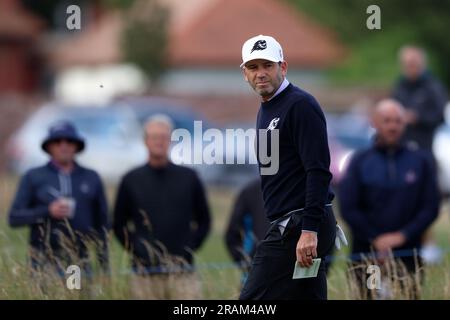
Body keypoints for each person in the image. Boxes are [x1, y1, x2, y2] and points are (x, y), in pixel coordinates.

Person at [239, 35, 337, 300]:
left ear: (283, 67)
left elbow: (318, 171)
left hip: (299, 226)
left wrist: (309, 230)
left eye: (267, 66)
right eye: (253, 67)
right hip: (292, 223)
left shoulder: (300, 105)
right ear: (244, 73)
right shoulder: (267, 107)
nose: (260, 73)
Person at [339, 99, 440, 299]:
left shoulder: (421, 161)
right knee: (369, 296)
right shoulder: (359, 161)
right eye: (387, 121)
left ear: (405, 124)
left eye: (397, 121)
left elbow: (430, 206)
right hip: (369, 257)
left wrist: (402, 235)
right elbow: (348, 207)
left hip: (407, 255)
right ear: (374, 122)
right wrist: (376, 239)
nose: (392, 126)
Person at [113, 114, 211, 299]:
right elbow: (118, 223)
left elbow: (204, 220)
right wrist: (137, 249)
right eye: (154, 137)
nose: (159, 142)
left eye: (163, 137)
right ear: (145, 141)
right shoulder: (131, 180)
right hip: (144, 274)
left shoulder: (189, 178)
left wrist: (189, 246)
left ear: (171, 141)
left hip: (183, 273)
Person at [8, 121, 110, 278]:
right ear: (49, 146)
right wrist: (47, 211)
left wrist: (104, 266)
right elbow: (14, 218)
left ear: (76, 145)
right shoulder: (33, 176)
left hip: (77, 261)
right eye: (57, 141)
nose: (64, 146)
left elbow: (103, 225)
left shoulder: (91, 177)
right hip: (42, 261)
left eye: (69, 141)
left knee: (74, 294)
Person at [392, 45, 447, 151]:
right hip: (402, 145)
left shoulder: (433, 86)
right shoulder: (400, 86)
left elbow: (441, 115)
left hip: (427, 145)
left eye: (412, 63)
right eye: (406, 64)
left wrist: (418, 118)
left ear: (422, 64)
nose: (409, 67)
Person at [225, 178, 270, 272]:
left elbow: (231, 234)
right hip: (255, 266)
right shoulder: (250, 191)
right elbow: (232, 233)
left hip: (255, 267)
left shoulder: (250, 189)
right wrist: (244, 260)